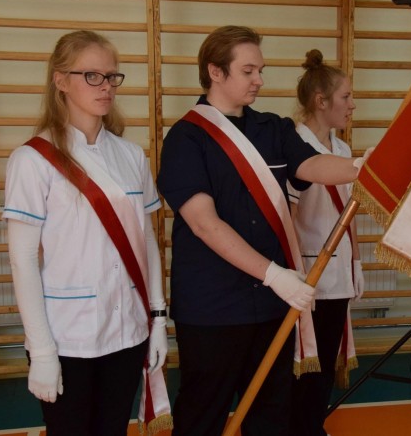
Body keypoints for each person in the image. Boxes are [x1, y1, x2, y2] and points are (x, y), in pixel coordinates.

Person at [156, 25, 367, 436]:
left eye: (261, 70)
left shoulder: (273, 128)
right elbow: (204, 223)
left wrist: (360, 167)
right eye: (248, 71)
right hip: (213, 306)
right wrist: (273, 274)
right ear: (215, 72)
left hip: (270, 305)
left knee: (271, 414)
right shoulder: (186, 138)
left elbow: (312, 165)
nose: (260, 80)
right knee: (203, 412)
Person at [4, 30, 170, 435]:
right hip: (68, 336)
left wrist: (158, 317)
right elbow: (22, 260)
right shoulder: (31, 159)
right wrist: (42, 350)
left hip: (128, 330)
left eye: (112, 76)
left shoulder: (131, 155)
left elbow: (146, 240)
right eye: (92, 76)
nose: (106, 86)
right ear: (61, 80)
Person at [288, 49, 363, 436]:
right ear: (321, 101)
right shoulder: (294, 146)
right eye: (345, 97)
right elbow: (287, 218)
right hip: (306, 274)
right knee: (303, 365)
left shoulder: (343, 150)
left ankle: (313, 428)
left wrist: (356, 261)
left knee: (326, 364)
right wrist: (293, 271)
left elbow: (348, 212)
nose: (352, 105)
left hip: (338, 274)